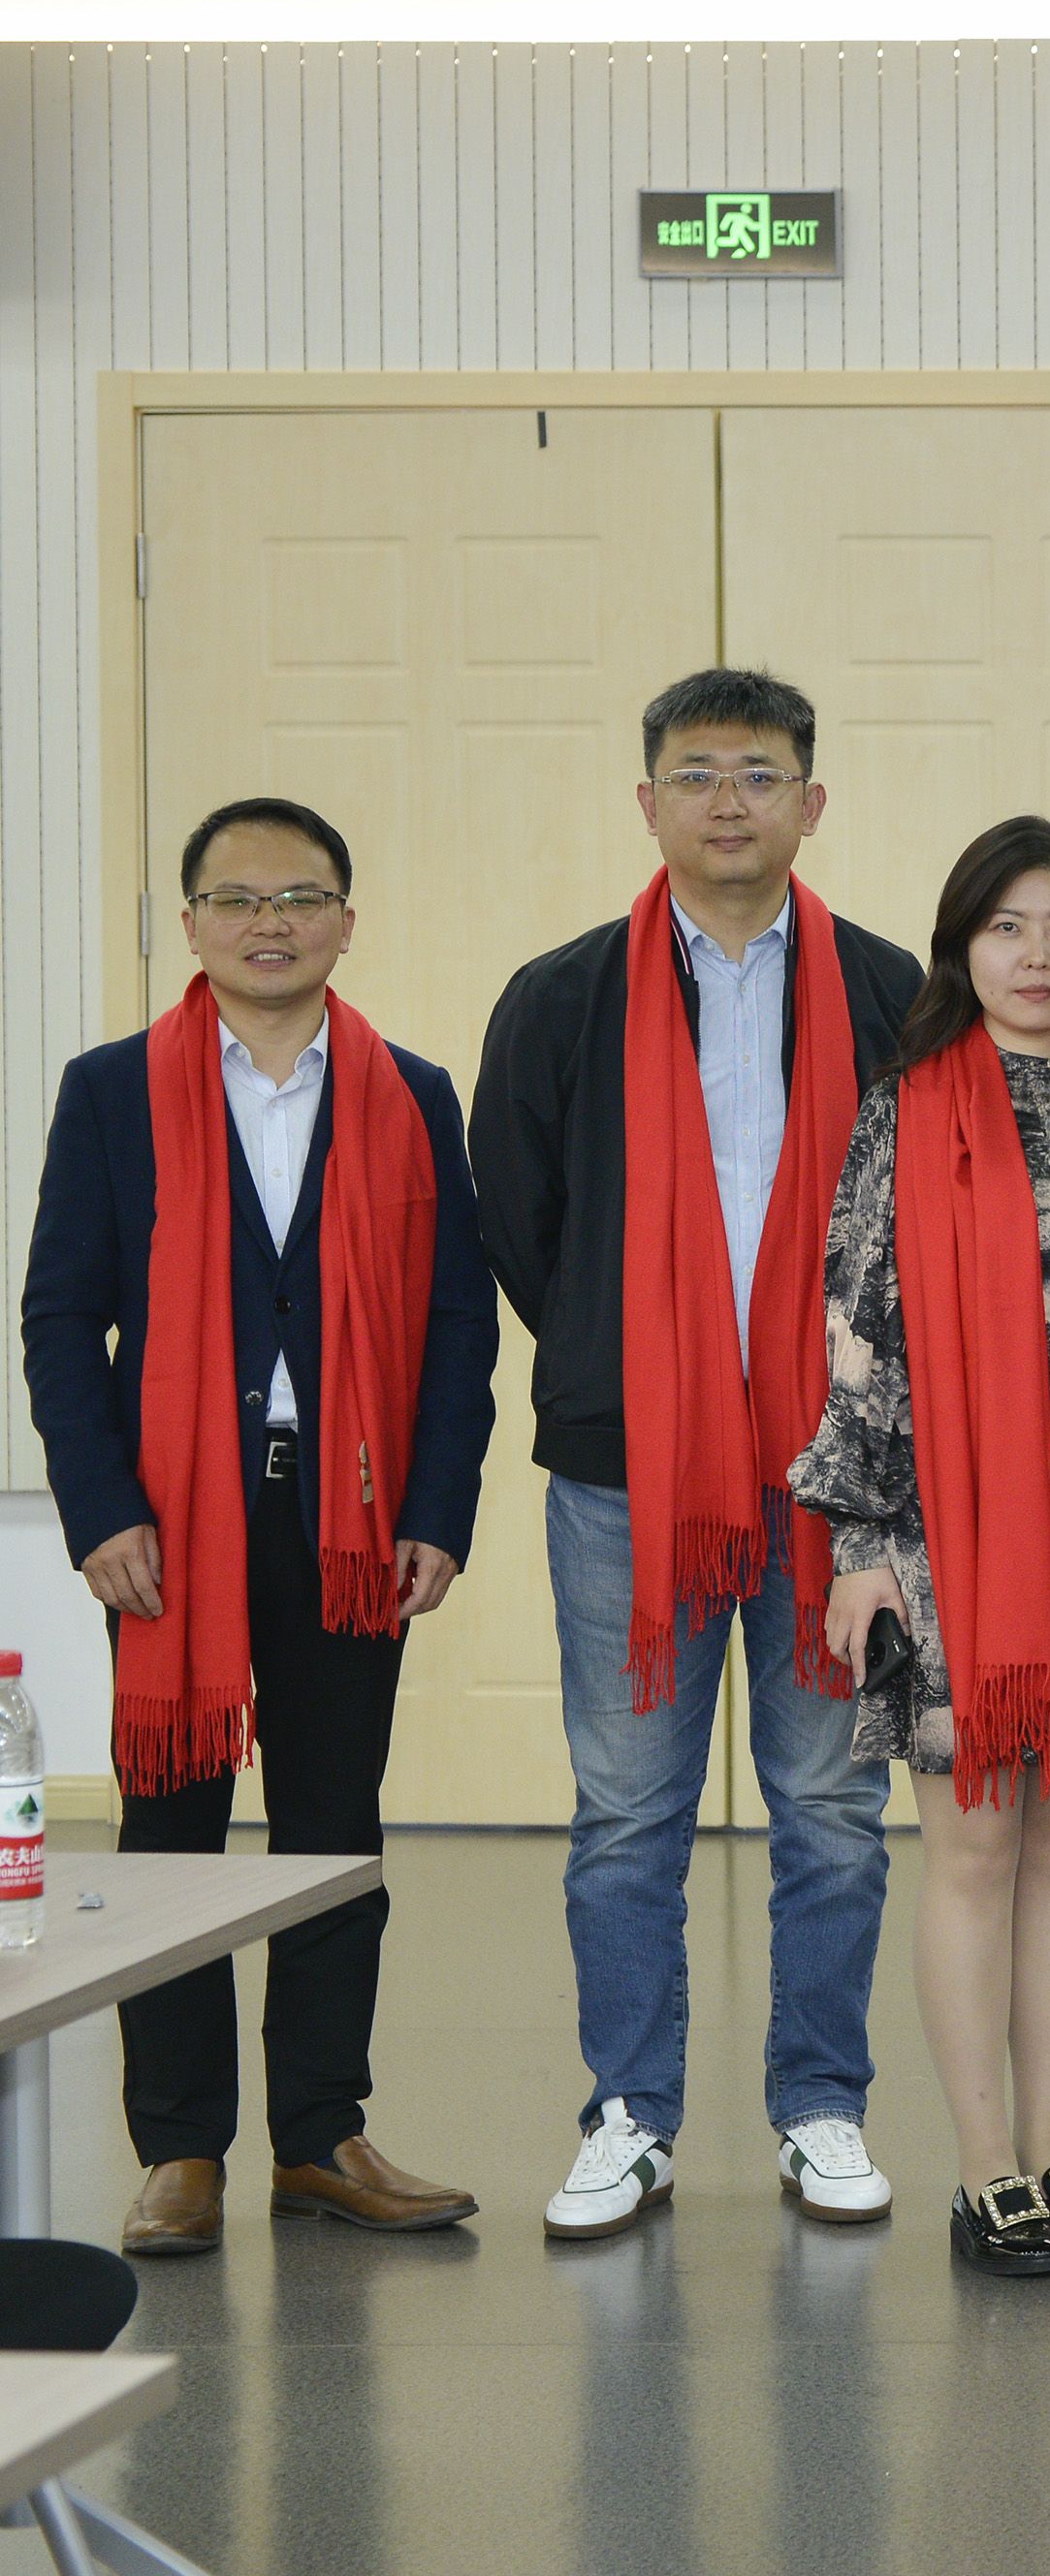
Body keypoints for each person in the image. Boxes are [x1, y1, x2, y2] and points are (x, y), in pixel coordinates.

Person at [473, 669, 919, 2244]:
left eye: (760, 771)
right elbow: (520, 1218)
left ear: (813, 800)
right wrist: (629, 1370)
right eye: (696, 772)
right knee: (625, 1817)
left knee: (834, 1814)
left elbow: (925, 1223)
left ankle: (820, 2107)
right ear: (647, 801)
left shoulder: (890, 990)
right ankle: (629, 2116)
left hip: (837, 1479)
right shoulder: (561, 997)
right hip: (628, 1478)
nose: (728, 800)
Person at [19, 797, 495, 2255]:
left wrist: (437, 1507)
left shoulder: (411, 1092)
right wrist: (99, 1510)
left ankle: (318, 2136)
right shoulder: (113, 1089)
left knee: (332, 1832)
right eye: (236, 899)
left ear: (346, 920)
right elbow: (59, 1318)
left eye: (300, 897)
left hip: (350, 1518)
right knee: (168, 1835)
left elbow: (457, 1322)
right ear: (191, 926)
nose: (269, 923)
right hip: (171, 1523)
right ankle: (179, 2150)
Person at [791, 820, 1050, 2279]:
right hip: (937, 1533)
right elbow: (856, 1332)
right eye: (1006, 927)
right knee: (969, 1852)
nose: (1035, 956)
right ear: (961, 946)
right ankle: (984, 2170)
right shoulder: (906, 1109)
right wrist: (859, 1545)